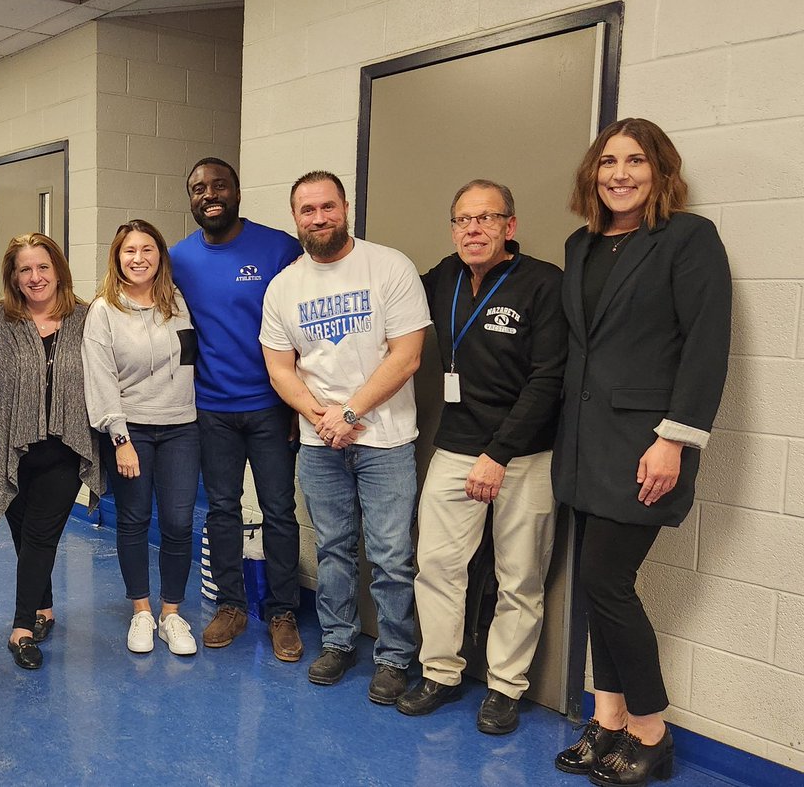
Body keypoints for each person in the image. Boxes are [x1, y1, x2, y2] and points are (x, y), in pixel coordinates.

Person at [553, 118, 731, 786]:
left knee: (607, 582)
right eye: (607, 162)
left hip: (645, 444)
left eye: (635, 160)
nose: (619, 173)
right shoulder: (582, 244)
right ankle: (607, 720)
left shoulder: (687, 239)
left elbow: (706, 343)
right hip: (581, 444)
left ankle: (651, 731)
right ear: (592, 173)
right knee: (597, 588)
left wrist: (674, 438)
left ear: (660, 170)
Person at [396, 180, 566, 733]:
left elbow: (548, 381)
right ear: (453, 229)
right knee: (439, 565)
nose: (474, 229)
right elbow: (387, 305)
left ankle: (504, 689)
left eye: (487, 218)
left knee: (520, 576)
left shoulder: (544, 284)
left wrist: (500, 453)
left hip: (527, 454)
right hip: (456, 446)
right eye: (464, 219)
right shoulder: (441, 277)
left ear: (509, 227)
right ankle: (441, 673)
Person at [260, 171, 431, 703]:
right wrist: (322, 417)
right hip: (320, 444)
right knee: (333, 549)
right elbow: (280, 368)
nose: (319, 218)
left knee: (391, 554)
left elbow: (408, 355)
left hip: (387, 440)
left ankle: (396, 655)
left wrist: (350, 412)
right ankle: (337, 641)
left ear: (345, 208)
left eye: (327, 207)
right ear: (296, 218)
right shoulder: (285, 285)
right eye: (307, 210)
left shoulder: (389, 266)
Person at [169, 158, 305, 661]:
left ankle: (282, 612)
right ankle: (231, 606)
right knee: (222, 510)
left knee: (280, 512)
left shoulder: (279, 248)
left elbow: (301, 330)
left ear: (238, 191)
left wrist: (299, 402)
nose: (209, 194)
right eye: (198, 187)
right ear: (191, 199)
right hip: (211, 409)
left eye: (219, 184)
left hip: (271, 408)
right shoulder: (177, 258)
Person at [0, 233, 103, 671]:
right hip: (10, 447)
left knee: (39, 535)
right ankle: (44, 607)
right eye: (24, 270)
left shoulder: (88, 317)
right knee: (23, 537)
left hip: (66, 449)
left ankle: (20, 627)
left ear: (58, 271)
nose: (35, 277)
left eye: (43, 268)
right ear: (13, 277)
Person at [85, 220, 201, 656]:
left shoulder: (177, 301)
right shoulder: (104, 310)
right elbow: (101, 377)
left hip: (182, 428)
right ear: (117, 258)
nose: (139, 258)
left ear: (160, 256)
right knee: (133, 521)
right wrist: (119, 437)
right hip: (130, 430)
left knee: (177, 522)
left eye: (147, 249)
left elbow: (190, 360)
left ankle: (172, 615)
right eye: (129, 250)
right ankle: (141, 612)